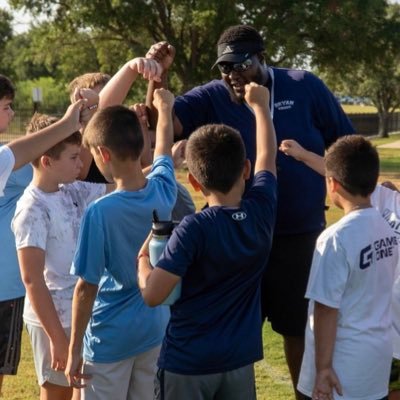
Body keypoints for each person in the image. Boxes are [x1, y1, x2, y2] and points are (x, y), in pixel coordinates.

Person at [146, 25, 354, 398]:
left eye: (241, 64)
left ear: (263, 56)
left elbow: (345, 144)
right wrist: (155, 77)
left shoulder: (303, 84)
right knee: (234, 328)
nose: (233, 75)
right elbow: (161, 120)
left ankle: (305, 393)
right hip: (239, 236)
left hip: (296, 235)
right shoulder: (214, 94)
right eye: (224, 67)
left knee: (296, 328)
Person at [136, 83, 277, 400]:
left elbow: (153, 294)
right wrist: (260, 107)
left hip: (188, 364)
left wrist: (143, 259)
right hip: (239, 362)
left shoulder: (193, 229)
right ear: (246, 169)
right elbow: (267, 155)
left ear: (195, 183)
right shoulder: (263, 210)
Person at [65, 88, 177, 400]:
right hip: (154, 331)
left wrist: (74, 350)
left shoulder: (100, 211)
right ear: (141, 145)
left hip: (109, 339)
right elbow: (164, 149)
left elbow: (86, 288)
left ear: (103, 154)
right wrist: (164, 109)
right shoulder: (164, 190)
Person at [280, 138, 400, 400]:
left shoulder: (335, 238)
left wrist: (323, 369)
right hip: (375, 359)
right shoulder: (386, 227)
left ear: (332, 184)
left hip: (342, 366)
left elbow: (325, 308)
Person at [11, 113, 114, 400]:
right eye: (73, 157)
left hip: (80, 315)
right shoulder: (32, 209)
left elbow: (123, 187)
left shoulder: (74, 190)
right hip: (53, 322)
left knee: (80, 391)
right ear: (47, 161)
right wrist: (57, 340)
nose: (82, 164)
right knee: (58, 393)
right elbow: (32, 280)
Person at [0, 74, 85, 395]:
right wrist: (69, 122)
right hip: (14, 298)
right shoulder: (30, 198)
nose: (11, 114)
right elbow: (28, 152)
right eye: (7, 106)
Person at [67, 72, 111, 183]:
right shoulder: (72, 136)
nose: (99, 108)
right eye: (94, 103)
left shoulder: (123, 128)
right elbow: (80, 173)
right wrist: (89, 121)